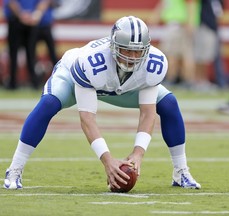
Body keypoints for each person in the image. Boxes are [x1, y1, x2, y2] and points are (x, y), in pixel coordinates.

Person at [3, 16, 201, 190]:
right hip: (74, 79)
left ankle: (181, 171)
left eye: (137, 52)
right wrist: (107, 160)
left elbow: (147, 113)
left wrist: (138, 153)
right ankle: (14, 170)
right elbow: (87, 119)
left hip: (121, 85)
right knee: (48, 104)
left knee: (168, 103)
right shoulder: (91, 61)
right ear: (114, 46)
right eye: (127, 50)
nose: (132, 57)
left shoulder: (153, 64)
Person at [3, 0, 51, 90]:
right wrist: (21, 14)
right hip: (16, 20)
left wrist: (36, 14)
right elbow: (10, 2)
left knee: (31, 53)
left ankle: (34, 82)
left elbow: (43, 2)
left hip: (31, 21)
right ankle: (13, 83)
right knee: (13, 53)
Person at [148, 0, 196, 88]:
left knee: (174, 55)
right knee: (178, 54)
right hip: (176, 25)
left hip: (178, 24)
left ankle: (174, 79)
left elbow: (190, 4)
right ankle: (182, 80)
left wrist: (190, 23)